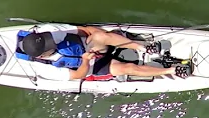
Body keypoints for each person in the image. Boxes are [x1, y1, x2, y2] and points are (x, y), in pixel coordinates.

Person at [14, 23, 193, 81]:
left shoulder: (51, 31)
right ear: (41, 55)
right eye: (48, 44)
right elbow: (77, 75)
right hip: (90, 66)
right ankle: (170, 70)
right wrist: (85, 60)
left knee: (100, 35)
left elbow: (86, 31)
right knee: (126, 68)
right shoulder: (44, 68)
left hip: (89, 47)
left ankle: (143, 48)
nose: (52, 40)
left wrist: (101, 36)